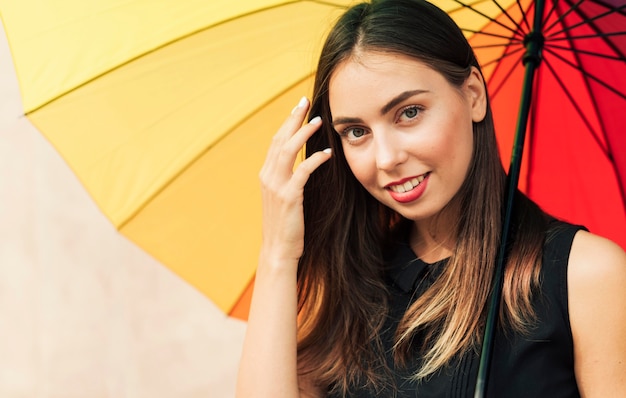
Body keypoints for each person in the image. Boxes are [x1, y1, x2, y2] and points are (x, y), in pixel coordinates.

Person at [235, 0, 626, 396]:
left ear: (473, 95)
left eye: (409, 112)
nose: (386, 158)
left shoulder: (586, 276)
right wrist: (278, 256)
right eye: (356, 131)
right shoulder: (352, 287)